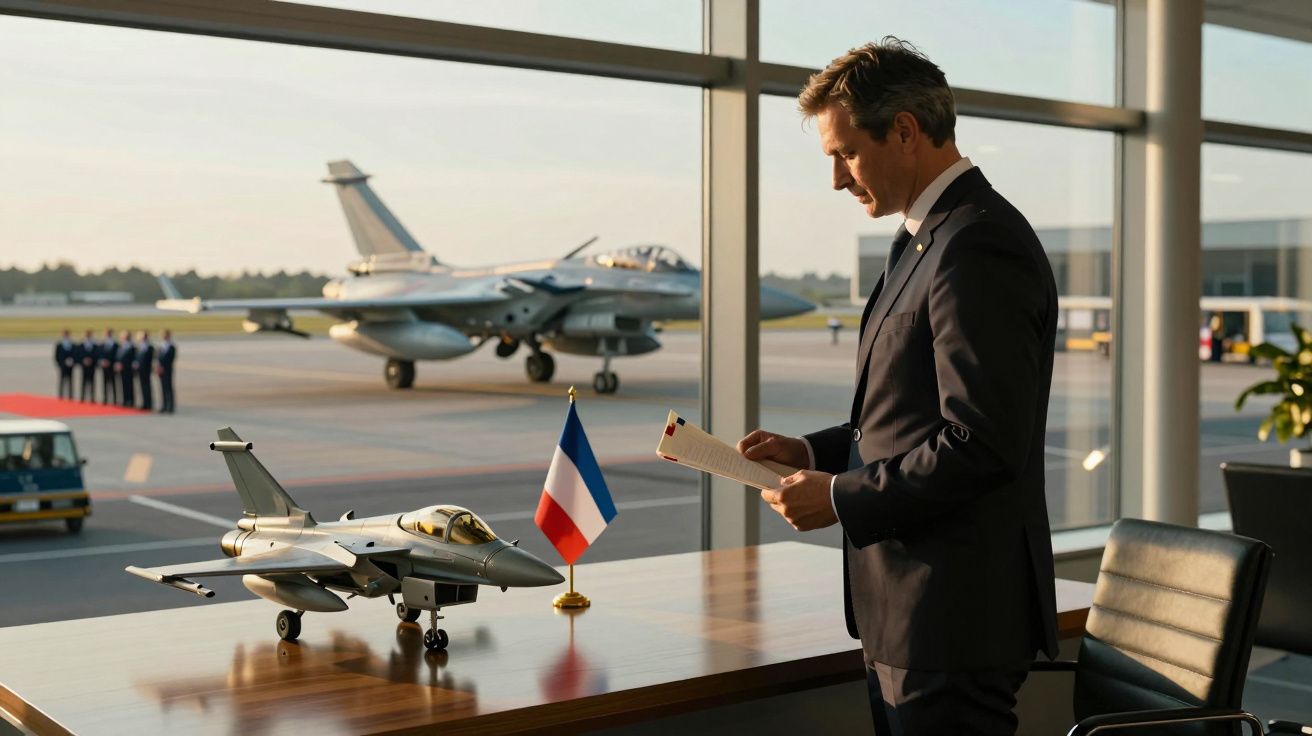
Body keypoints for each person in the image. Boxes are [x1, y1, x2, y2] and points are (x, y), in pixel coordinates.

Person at [737, 38, 1058, 735]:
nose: (836, 180)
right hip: (909, 617)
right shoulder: (927, 236)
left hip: (951, 621)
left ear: (906, 131)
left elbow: (980, 441)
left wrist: (841, 497)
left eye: (845, 153)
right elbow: (904, 416)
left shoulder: (977, 243)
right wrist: (812, 453)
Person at [156, 329, 177, 414]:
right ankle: (164, 406)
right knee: (162, 388)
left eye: (165, 335)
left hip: (168, 370)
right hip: (161, 370)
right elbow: (158, 358)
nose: (164, 336)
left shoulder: (172, 347)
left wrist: (163, 367)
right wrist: (158, 367)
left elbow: (171, 359)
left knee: (169, 388)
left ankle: (170, 406)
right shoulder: (161, 346)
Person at [116, 329, 136, 408]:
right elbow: (118, 357)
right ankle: (125, 400)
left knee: (129, 386)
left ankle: (130, 401)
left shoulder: (131, 347)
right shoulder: (121, 346)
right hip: (122, 369)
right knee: (123, 385)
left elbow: (132, 359)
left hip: (128, 369)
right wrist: (118, 364)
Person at [136, 330, 155, 411]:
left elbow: (150, 359)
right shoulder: (139, 347)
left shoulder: (150, 347)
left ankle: (149, 404)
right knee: (142, 387)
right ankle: (144, 403)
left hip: (146, 370)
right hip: (140, 370)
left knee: (147, 387)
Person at [99, 328, 118, 405]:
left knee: (113, 383)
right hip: (104, 366)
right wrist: (102, 361)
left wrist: (111, 362)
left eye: (109, 333)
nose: (107, 335)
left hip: (112, 366)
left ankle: (114, 399)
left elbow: (117, 355)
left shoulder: (115, 345)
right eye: (106, 334)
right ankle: (105, 399)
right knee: (104, 383)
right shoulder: (102, 344)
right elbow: (100, 354)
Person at [77, 329, 98, 402]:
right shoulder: (81, 345)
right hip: (84, 366)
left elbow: (96, 355)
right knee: (83, 382)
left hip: (92, 367)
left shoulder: (94, 345)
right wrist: (83, 361)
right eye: (87, 335)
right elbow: (78, 355)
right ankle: (82, 397)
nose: (88, 336)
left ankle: (92, 397)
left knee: (92, 382)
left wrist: (92, 361)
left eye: (89, 334)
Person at [54, 329, 75, 399]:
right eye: (65, 334)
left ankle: (70, 395)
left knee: (70, 381)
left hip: (70, 366)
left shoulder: (72, 344)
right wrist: (61, 364)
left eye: (67, 334)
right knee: (62, 381)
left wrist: (72, 361)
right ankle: (61, 395)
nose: (66, 335)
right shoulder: (59, 345)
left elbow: (75, 354)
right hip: (62, 366)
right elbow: (56, 356)